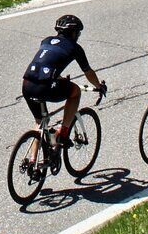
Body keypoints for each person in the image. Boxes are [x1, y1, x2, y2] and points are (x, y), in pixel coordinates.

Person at [21, 15, 107, 155]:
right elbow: (88, 72)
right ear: (73, 33)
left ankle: (32, 161)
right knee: (75, 92)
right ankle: (64, 133)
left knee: (40, 123)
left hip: (27, 84)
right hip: (45, 85)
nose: (78, 35)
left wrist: (58, 79)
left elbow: (46, 65)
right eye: (78, 33)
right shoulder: (75, 48)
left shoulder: (46, 41)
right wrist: (98, 85)